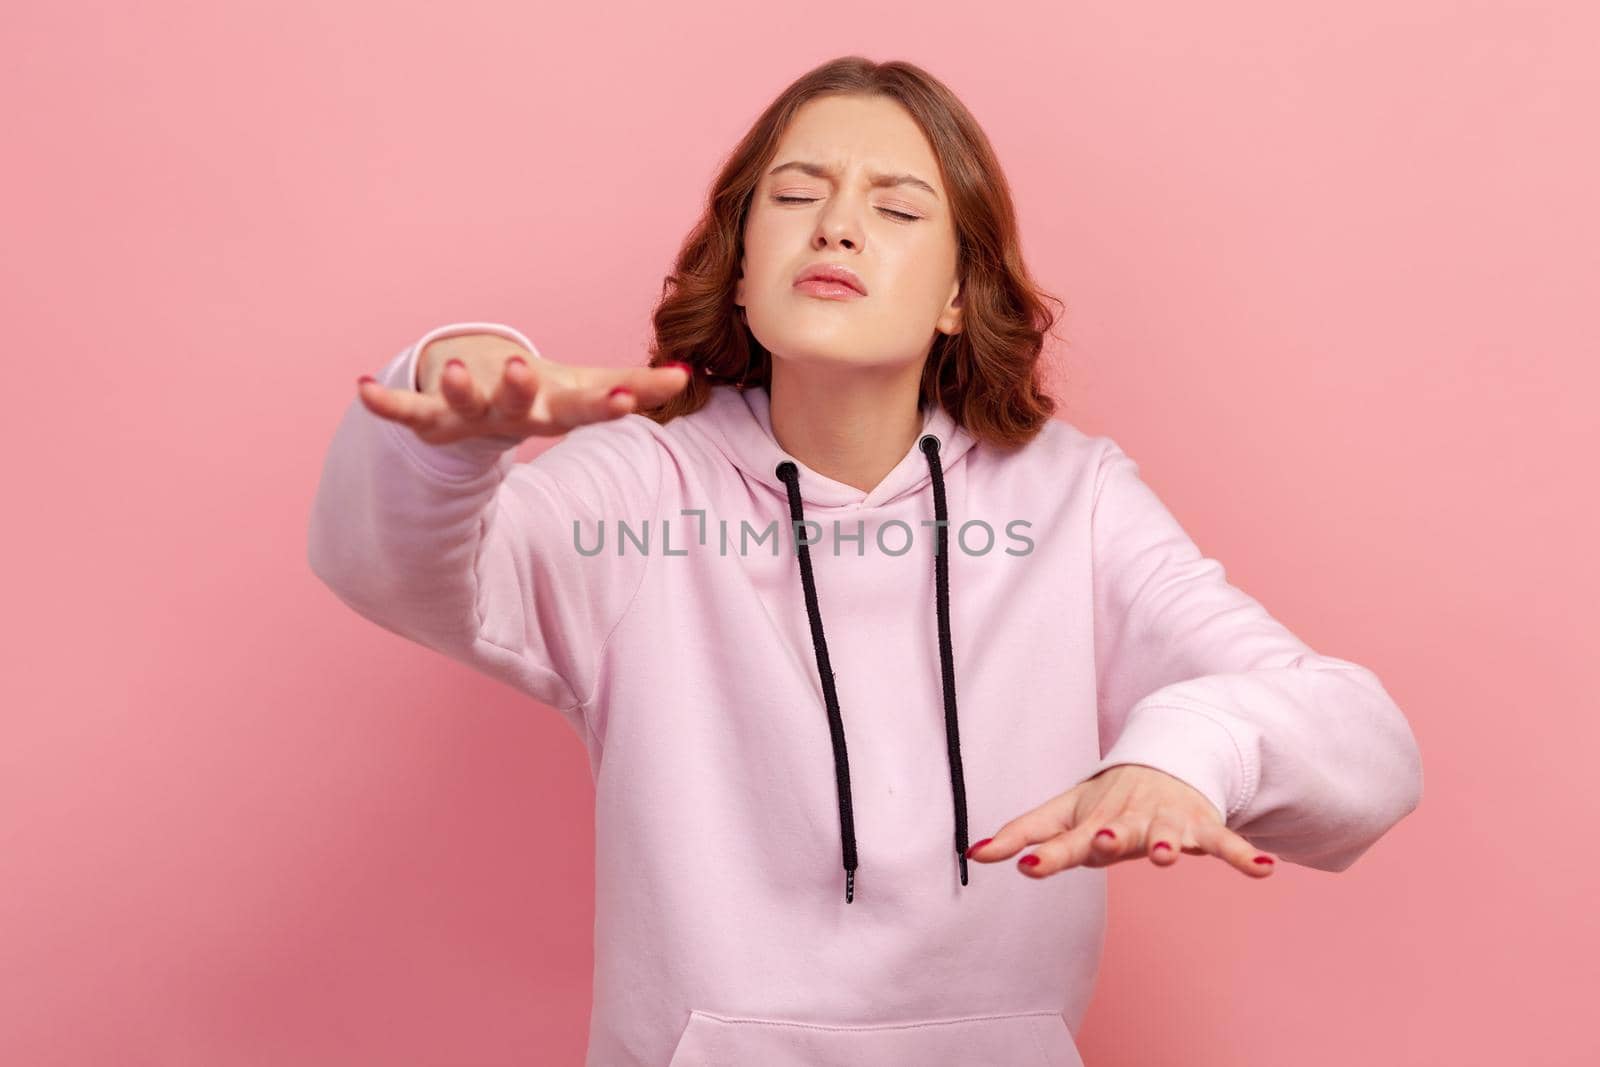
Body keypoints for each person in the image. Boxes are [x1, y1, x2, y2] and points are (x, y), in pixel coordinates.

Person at [308, 56, 1423, 1067]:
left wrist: (1187, 757)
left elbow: (1366, 751)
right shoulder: (642, 484)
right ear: (740, 268)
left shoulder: (1067, 497)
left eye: (895, 208)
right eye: (794, 198)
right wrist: (456, 432)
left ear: (954, 295)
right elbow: (395, 572)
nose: (835, 228)